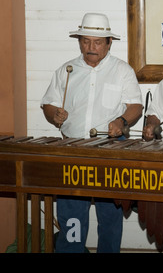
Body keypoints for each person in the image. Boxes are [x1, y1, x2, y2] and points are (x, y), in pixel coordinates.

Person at [41, 13, 143, 252]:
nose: (91, 47)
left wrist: (121, 121)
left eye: (97, 42)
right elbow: (48, 104)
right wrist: (53, 113)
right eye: (85, 41)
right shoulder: (66, 70)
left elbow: (135, 107)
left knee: (110, 216)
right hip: (72, 149)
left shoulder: (122, 70)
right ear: (79, 42)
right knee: (72, 215)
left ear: (109, 43)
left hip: (111, 150)